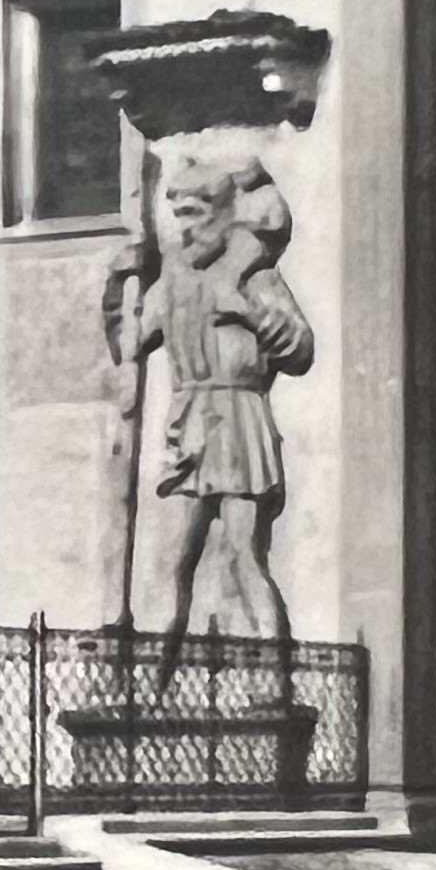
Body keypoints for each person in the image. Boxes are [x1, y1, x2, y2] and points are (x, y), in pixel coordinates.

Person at [111, 156, 311, 652]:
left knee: (245, 555)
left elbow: (301, 349)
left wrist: (247, 312)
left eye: (196, 214)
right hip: (190, 424)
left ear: (223, 215)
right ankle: (147, 692)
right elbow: (130, 344)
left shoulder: (255, 277)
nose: (185, 228)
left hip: (240, 419)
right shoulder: (171, 283)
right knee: (171, 563)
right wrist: (119, 287)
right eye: (178, 216)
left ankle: (273, 679)